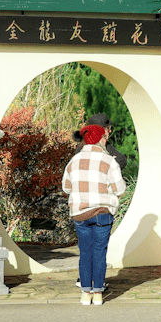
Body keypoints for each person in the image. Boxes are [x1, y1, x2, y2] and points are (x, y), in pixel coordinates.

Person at [62, 120, 126, 306]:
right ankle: (98, 293)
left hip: (80, 213)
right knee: (99, 252)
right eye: (104, 137)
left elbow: (66, 188)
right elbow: (120, 189)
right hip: (102, 212)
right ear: (99, 139)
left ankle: (85, 293)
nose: (106, 139)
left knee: (85, 252)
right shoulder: (109, 161)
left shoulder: (74, 161)